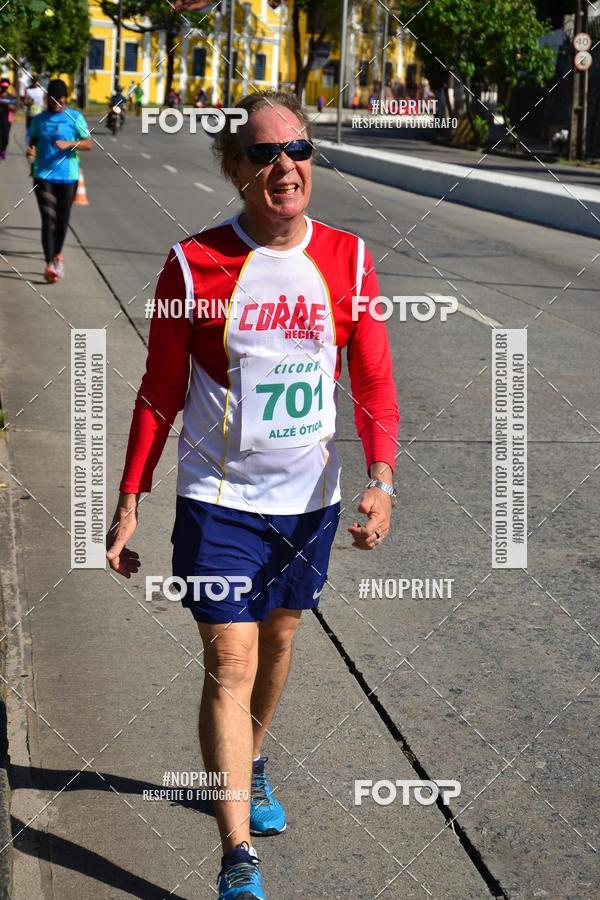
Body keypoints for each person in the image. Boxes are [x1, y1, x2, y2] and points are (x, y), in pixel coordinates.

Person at [106, 90, 399, 900]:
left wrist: (381, 478)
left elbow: (373, 380)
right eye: (265, 153)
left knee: (278, 642)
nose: (285, 167)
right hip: (219, 500)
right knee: (229, 660)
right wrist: (130, 498)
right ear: (235, 168)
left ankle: (253, 757)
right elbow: (159, 392)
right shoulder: (192, 264)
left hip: (308, 503)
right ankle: (236, 854)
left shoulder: (348, 259)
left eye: (298, 149)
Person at [26, 79, 92, 283]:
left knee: (62, 220)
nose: (56, 104)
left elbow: (88, 144)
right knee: (48, 219)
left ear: (66, 99)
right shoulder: (39, 120)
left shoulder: (75, 117)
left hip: (68, 176)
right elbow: (33, 140)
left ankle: (57, 255)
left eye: (60, 100)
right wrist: (31, 150)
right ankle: (49, 264)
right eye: (52, 100)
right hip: (43, 174)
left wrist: (70, 143)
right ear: (47, 99)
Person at [0, 77, 17, 161]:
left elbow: (14, 108)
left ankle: (3, 150)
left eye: (5, 87)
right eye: (2, 87)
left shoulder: (10, 97)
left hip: (7, 119)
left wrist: (11, 107)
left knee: (5, 137)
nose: (4, 88)